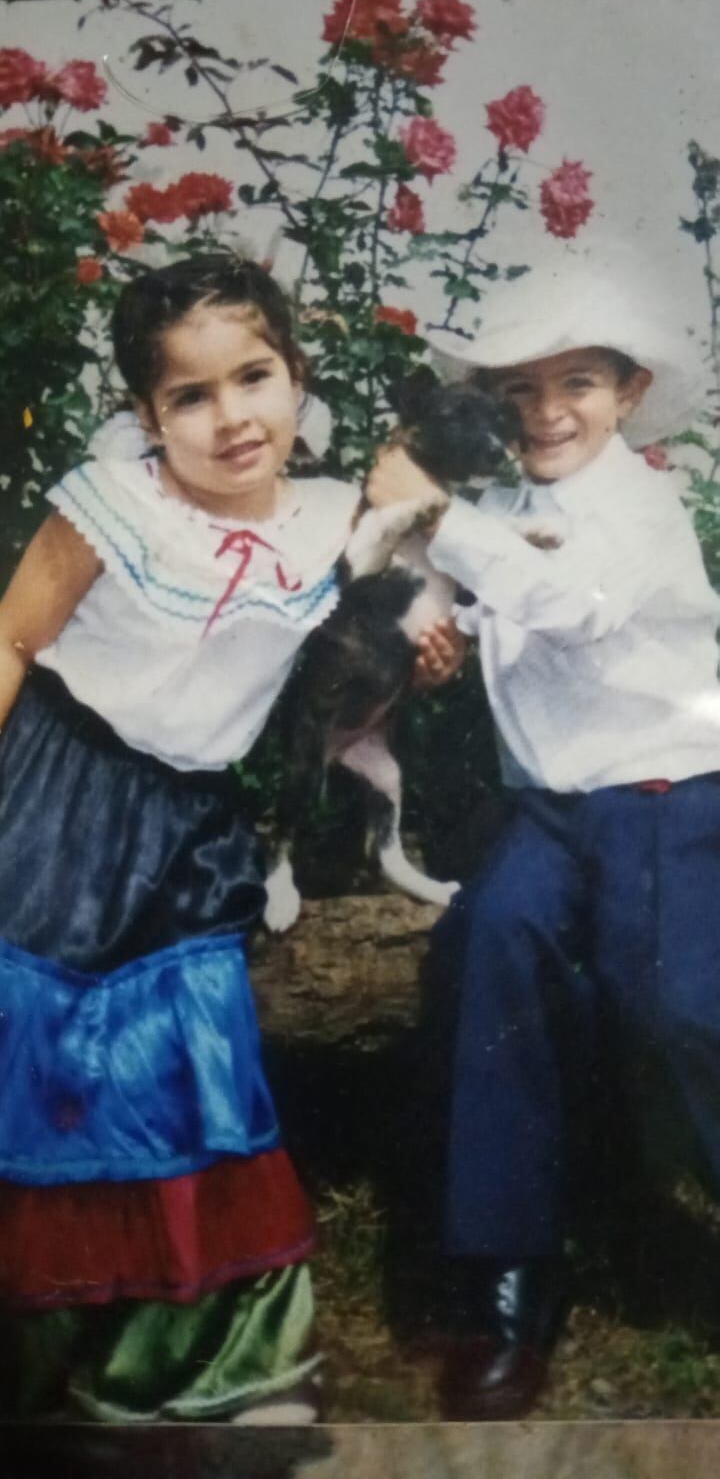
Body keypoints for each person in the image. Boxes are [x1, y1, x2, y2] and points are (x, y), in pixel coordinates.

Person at [0, 252, 459, 1425]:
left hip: (190, 821)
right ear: (146, 418)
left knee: (187, 1053)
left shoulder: (332, 521)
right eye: (188, 397)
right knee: (38, 1041)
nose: (231, 417)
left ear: (297, 376)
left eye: (254, 377)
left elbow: (408, 555)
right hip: (56, 791)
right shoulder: (115, 504)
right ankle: (37, 1359)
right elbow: (11, 640)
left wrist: (426, 635)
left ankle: (206, 1364)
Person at [367, 264, 720, 1419]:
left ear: (629, 392)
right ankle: (505, 1276)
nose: (548, 410)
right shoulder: (504, 504)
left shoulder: (640, 503)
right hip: (552, 805)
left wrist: (434, 515)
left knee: (672, 999)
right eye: (520, 391)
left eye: (577, 383)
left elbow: (576, 607)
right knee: (489, 952)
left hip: (669, 785)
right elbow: (451, 592)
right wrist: (430, 627)